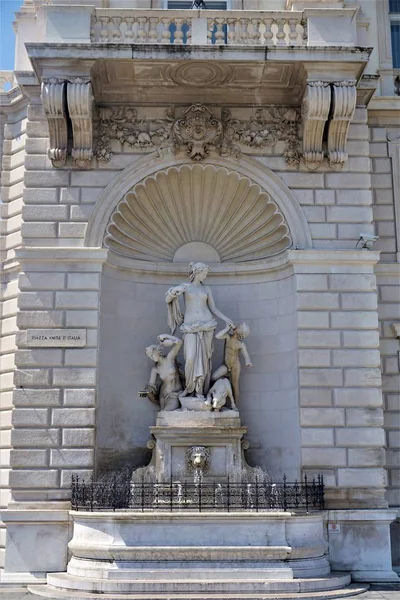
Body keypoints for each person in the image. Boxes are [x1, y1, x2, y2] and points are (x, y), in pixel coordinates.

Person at [165, 262, 233, 399]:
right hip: (190, 327)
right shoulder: (186, 287)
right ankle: (189, 388)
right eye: (204, 273)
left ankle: (200, 390)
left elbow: (213, 308)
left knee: (204, 360)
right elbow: (168, 299)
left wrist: (226, 319)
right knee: (190, 358)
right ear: (197, 272)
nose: (206, 275)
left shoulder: (207, 288)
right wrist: (174, 291)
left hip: (207, 326)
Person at [212, 322, 252, 405]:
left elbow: (246, 356)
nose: (236, 327)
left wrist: (248, 362)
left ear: (239, 332)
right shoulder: (228, 336)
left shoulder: (241, 344)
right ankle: (223, 385)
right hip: (226, 365)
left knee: (235, 386)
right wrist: (226, 329)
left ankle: (235, 406)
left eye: (238, 327)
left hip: (235, 366)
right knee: (214, 377)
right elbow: (217, 336)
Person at [144, 334, 183, 411]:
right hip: (164, 396)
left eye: (152, 354)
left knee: (166, 413)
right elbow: (151, 385)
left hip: (176, 394)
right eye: (150, 356)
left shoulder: (170, 358)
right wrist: (147, 392)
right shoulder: (155, 369)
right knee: (163, 416)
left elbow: (180, 342)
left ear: (157, 351)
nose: (152, 357)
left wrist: (166, 336)